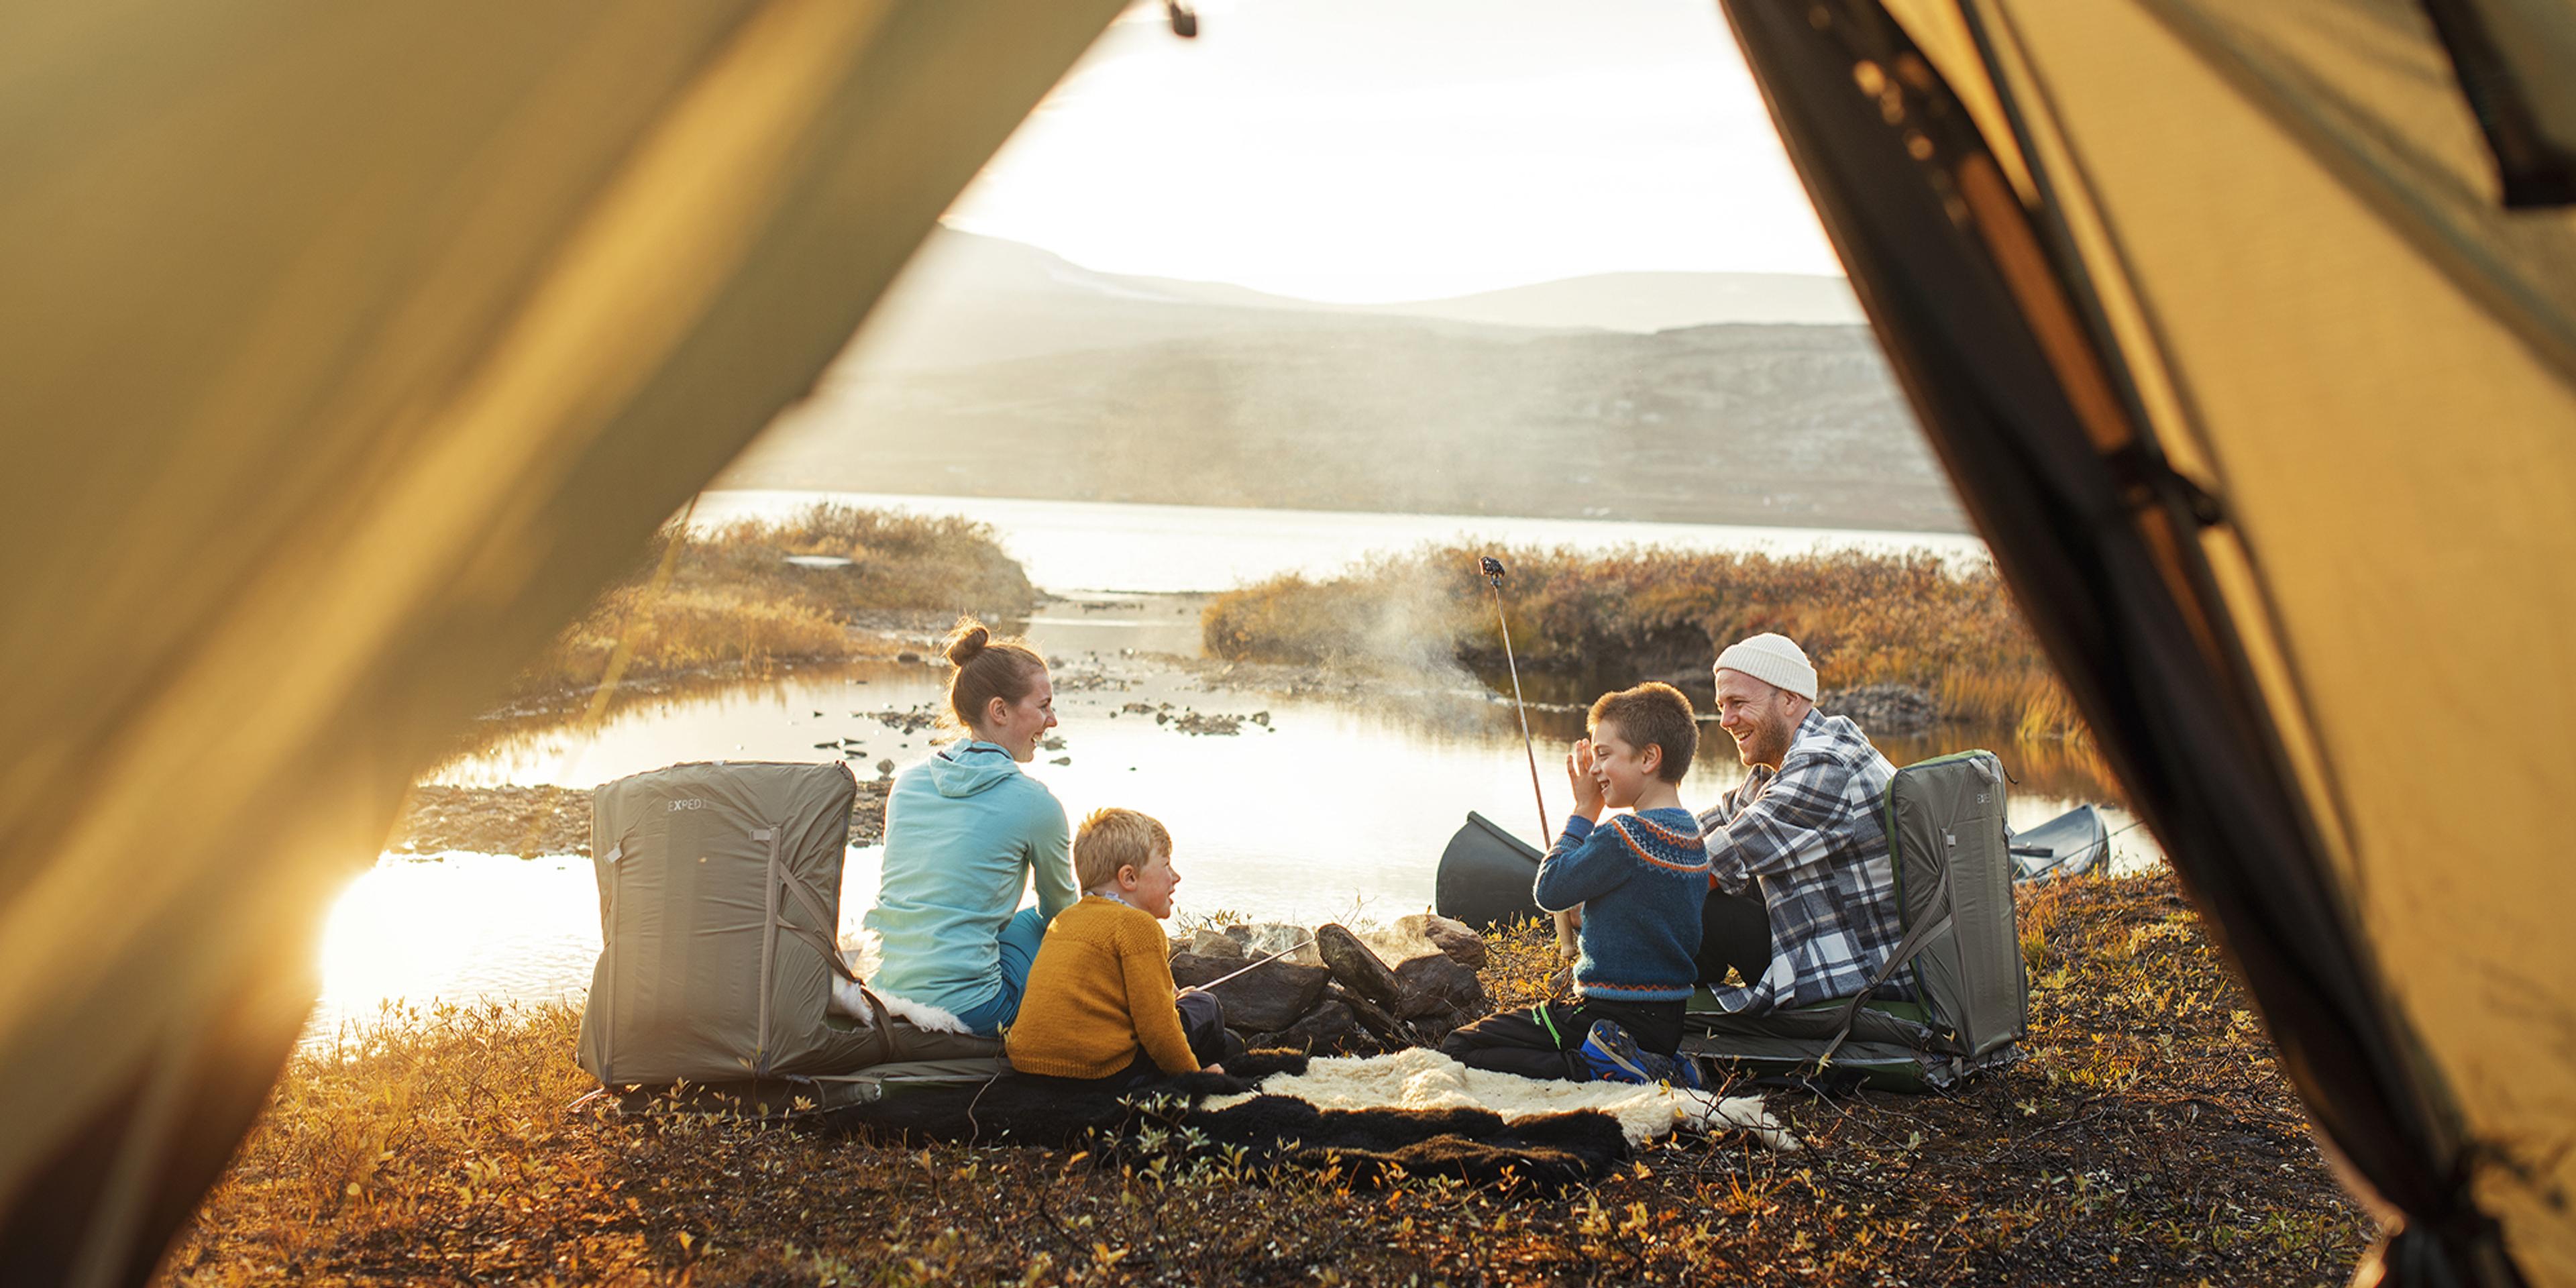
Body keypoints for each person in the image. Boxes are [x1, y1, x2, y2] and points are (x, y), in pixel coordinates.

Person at [1440, 683, 1709, 1086]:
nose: (1594, 769)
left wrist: (1585, 811)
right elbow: (1646, 917)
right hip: (1666, 1023)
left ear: (1650, 757)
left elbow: (1549, 890)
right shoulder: (1693, 839)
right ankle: (1658, 1064)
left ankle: (1597, 1069)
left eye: (1604, 755)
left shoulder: (1626, 835)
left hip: (1608, 1016)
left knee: (1460, 1047)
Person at [863, 616, 1079, 1037]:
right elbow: (1063, 916)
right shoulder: (1036, 804)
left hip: (887, 993)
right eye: (1044, 706)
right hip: (976, 1011)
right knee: (1037, 920)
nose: (1052, 721)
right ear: (999, 710)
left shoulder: (906, 784)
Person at [1694, 632, 1905, 1015]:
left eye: (1738, 703)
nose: (1725, 721)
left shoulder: (1826, 765)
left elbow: (1713, 861)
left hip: (1864, 973)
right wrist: (1624, 850)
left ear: (1790, 699)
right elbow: (1709, 826)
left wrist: (1618, 891)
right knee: (1690, 898)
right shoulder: (1781, 764)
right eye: (1722, 705)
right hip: (1831, 940)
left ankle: (1654, 1012)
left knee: (1701, 909)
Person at [1005, 808, 1229, 1089]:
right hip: (1099, 1074)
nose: (1176, 877)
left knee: (1187, 1006)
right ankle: (1215, 1072)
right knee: (1205, 1006)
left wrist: (1172, 995)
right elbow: (1159, 1031)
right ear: (1129, 878)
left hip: (1031, 1067)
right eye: (1167, 865)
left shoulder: (1066, 918)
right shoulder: (1137, 926)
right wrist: (1194, 1080)